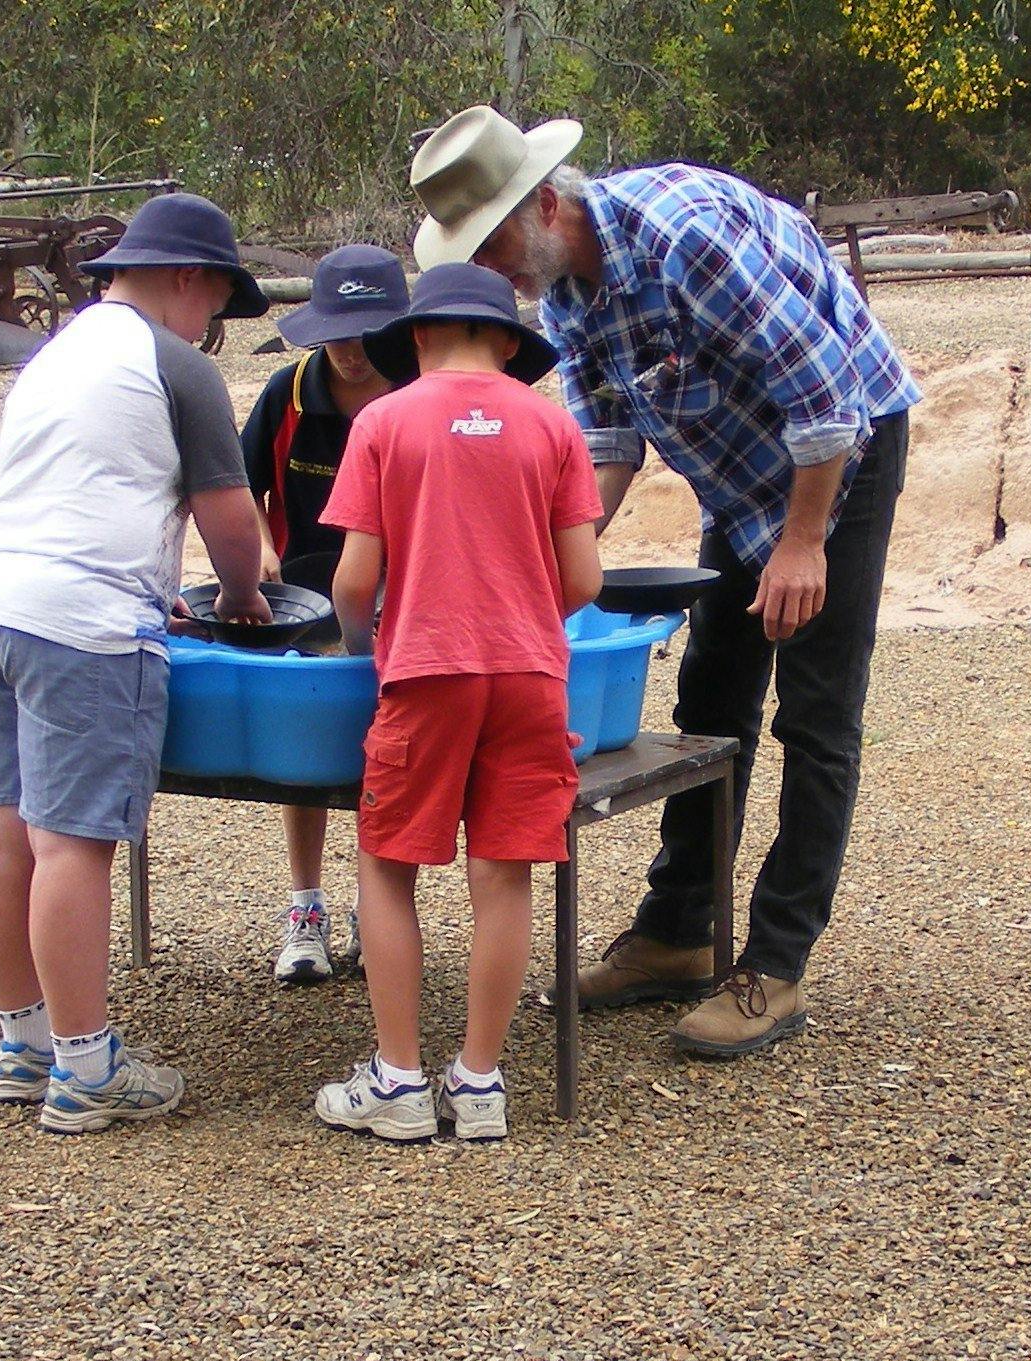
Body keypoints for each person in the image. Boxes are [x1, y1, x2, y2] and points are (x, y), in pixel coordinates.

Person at [408, 106, 919, 1058]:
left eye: (494, 247)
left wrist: (804, 544)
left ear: (549, 204)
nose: (493, 277)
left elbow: (824, 394)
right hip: (739, 476)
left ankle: (775, 964)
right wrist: (553, 555)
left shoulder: (688, 240)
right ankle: (678, 935)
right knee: (711, 695)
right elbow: (606, 446)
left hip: (836, 463)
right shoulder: (564, 293)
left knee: (814, 712)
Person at [0, 191, 272, 1133]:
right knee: (71, 841)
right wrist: (242, 597)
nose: (212, 325)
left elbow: (79, 490)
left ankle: (27, 1041)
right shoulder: (175, 365)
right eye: (215, 302)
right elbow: (228, 519)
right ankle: (88, 1070)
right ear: (187, 278)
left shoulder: (55, 355)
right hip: (78, 626)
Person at [311, 262, 603, 1142]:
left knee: (387, 861)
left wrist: (370, 645)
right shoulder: (552, 423)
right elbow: (584, 578)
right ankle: (479, 1084)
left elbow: (354, 581)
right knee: (503, 870)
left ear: (415, 339)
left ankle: (398, 1081)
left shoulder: (383, 421)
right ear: (509, 345)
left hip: (426, 672)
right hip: (530, 677)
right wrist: (511, 620)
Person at [239, 244, 409, 984]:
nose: (349, 349)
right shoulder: (288, 393)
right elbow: (237, 481)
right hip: (304, 604)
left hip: (405, 605)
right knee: (306, 761)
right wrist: (256, 552)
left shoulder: (415, 395)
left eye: (365, 333)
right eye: (336, 331)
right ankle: (304, 908)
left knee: (391, 759)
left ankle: (380, 916)